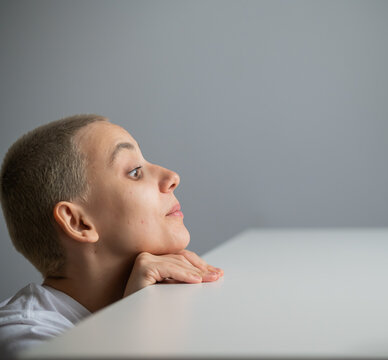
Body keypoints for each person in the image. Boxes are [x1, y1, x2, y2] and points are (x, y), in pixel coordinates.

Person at [0, 114, 224, 356]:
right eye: (135, 172)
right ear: (79, 223)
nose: (172, 177)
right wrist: (133, 327)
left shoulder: (160, 299)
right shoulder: (24, 334)